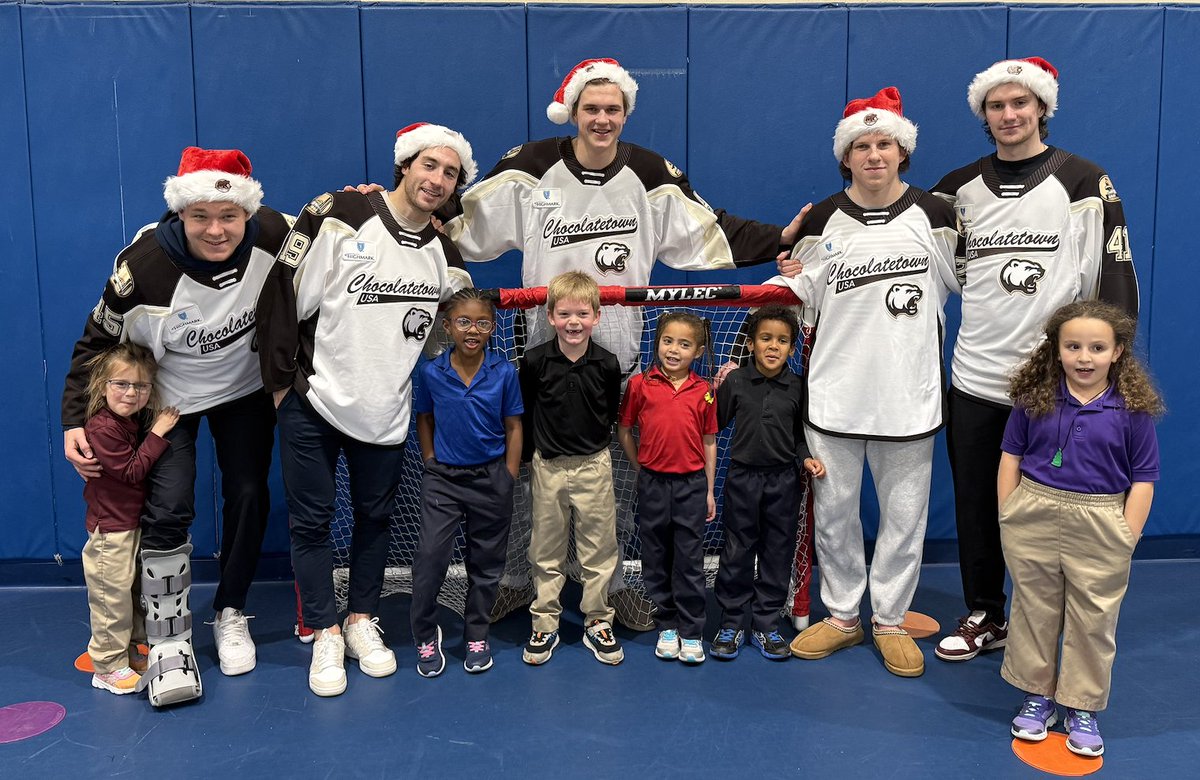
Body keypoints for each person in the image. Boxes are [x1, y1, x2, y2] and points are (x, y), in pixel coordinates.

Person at [926, 57, 1142, 664]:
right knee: (977, 500)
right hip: (975, 376)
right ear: (983, 115)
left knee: (1056, 505)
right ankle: (984, 613)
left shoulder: (1083, 181)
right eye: (996, 106)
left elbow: (1114, 275)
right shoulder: (955, 188)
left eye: (1020, 103)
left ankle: (1052, 618)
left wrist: (1109, 370)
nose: (1009, 115)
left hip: (1056, 382)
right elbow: (921, 264)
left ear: (1042, 108)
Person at [62, 146, 291, 706]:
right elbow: (97, 341)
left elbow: (334, 228)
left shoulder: (276, 234)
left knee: (247, 493)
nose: (216, 230)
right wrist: (73, 419)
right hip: (169, 404)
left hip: (244, 392)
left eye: (228, 216)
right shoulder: (140, 268)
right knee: (169, 507)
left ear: (247, 214)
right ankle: (169, 638)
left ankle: (231, 611)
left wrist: (371, 198)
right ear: (179, 215)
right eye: (200, 217)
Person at [256, 123, 475, 697]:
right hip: (313, 402)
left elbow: (437, 337)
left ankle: (360, 621)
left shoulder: (442, 254)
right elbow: (281, 294)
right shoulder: (340, 214)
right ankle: (324, 629)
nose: (438, 179)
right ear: (404, 166)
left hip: (385, 412)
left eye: (450, 173)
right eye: (430, 165)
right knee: (312, 521)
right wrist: (281, 386)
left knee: (375, 521)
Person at [442, 57, 808, 374]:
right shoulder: (530, 166)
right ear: (573, 113)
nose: (602, 120)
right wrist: (396, 212)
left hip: (619, 345)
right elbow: (462, 216)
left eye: (612, 110)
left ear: (626, 114)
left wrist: (782, 238)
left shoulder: (651, 174)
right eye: (591, 109)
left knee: (616, 448)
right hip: (542, 343)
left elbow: (711, 229)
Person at [774, 87, 960, 678]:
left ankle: (890, 619)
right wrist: (789, 275)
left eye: (885, 143)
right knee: (834, 515)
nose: (874, 154)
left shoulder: (937, 214)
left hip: (910, 397)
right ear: (846, 157)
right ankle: (843, 615)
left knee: (905, 519)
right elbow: (802, 297)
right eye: (862, 145)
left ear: (902, 151)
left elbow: (969, 285)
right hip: (834, 397)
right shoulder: (825, 217)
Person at [999, 300, 1161, 757]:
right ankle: (1037, 696)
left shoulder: (1132, 409)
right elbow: (1010, 457)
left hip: (1102, 519)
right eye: (1073, 346)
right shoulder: (1035, 399)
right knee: (1034, 609)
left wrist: (1126, 534)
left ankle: (1081, 704)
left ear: (1118, 352)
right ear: (1057, 350)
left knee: (1094, 618)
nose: (1084, 357)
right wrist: (1009, 513)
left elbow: (1144, 478)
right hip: (1033, 513)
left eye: (1096, 347)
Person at [409, 288, 523, 677]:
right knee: (429, 559)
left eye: (482, 322)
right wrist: (429, 460)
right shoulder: (431, 372)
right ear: (447, 326)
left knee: (486, 565)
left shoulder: (504, 372)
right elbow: (424, 418)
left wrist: (508, 474)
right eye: (463, 321)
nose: (472, 329)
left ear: (492, 328)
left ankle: (477, 633)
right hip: (444, 481)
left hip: (491, 479)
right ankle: (425, 634)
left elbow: (514, 426)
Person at [518, 271, 624, 665]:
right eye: (564, 314)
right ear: (550, 317)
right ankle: (545, 622)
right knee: (545, 549)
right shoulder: (534, 362)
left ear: (597, 316)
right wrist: (531, 458)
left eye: (582, 313)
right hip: (548, 468)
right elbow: (527, 411)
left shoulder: (608, 364)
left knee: (599, 550)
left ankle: (597, 620)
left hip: (594, 466)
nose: (573, 322)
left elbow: (610, 413)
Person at [711, 305, 825, 661]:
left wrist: (805, 457)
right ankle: (731, 621)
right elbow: (713, 426)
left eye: (782, 341)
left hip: (783, 482)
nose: (773, 346)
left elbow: (798, 437)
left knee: (777, 551)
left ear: (791, 349)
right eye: (765, 339)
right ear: (750, 344)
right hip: (742, 479)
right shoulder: (735, 381)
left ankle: (765, 622)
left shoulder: (796, 386)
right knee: (737, 549)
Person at [617, 311, 718, 664]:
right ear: (657, 342)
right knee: (656, 556)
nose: (674, 350)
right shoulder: (640, 385)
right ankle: (668, 624)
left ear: (699, 351)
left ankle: (692, 631)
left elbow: (709, 441)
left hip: (691, 486)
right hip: (653, 484)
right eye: (667, 341)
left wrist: (707, 489)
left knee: (689, 560)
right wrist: (640, 466)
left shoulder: (704, 391)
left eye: (684, 344)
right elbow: (625, 431)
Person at [80, 343, 179, 694]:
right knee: (112, 600)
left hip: (128, 524)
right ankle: (107, 666)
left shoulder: (127, 422)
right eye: (121, 384)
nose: (130, 393)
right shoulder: (102, 428)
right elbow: (131, 471)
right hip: (110, 532)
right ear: (103, 385)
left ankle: (126, 654)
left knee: (131, 593)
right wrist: (158, 434)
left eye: (140, 386)